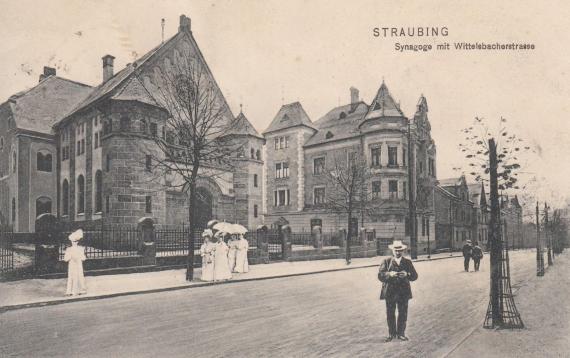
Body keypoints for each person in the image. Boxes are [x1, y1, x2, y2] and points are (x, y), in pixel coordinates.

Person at [378, 240, 418, 342]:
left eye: (400, 250)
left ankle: (401, 334)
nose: (398, 252)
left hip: (403, 292)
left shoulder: (408, 262)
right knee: (390, 313)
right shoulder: (386, 261)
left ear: (403, 251)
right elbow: (380, 275)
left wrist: (407, 275)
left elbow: (415, 276)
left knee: (403, 313)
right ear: (393, 250)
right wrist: (388, 274)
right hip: (390, 292)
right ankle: (391, 334)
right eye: (396, 250)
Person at [64, 229, 87, 296]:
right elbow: (66, 259)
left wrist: (77, 258)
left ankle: (80, 290)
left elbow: (84, 258)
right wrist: (72, 257)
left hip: (77, 264)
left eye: (76, 241)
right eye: (73, 241)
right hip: (74, 264)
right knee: (73, 277)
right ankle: (71, 291)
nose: (74, 243)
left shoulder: (79, 249)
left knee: (78, 276)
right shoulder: (71, 249)